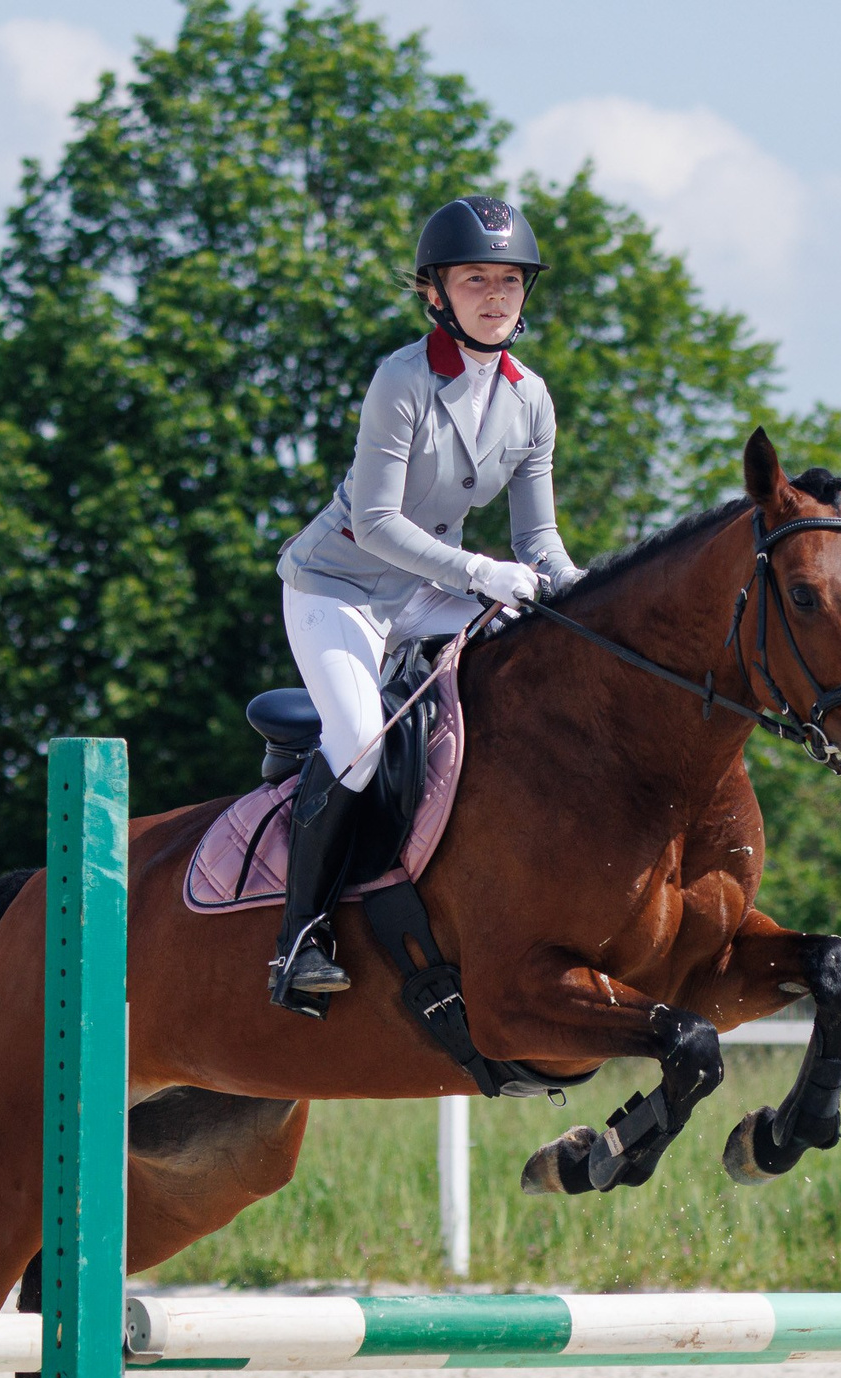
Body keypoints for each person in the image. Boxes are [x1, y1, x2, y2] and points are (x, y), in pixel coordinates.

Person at [265, 195, 582, 1010]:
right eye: (476, 279)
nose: (496, 296)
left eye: (510, 281)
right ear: (435, 293)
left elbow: (539, 541)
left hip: (423, 591)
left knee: (529, 663)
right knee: (363, 744)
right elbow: (374, 523)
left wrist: (586, 603)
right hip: (338, 586)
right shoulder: (402, 380)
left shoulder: (531, 399)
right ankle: (300, 937)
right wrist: (480, 573)